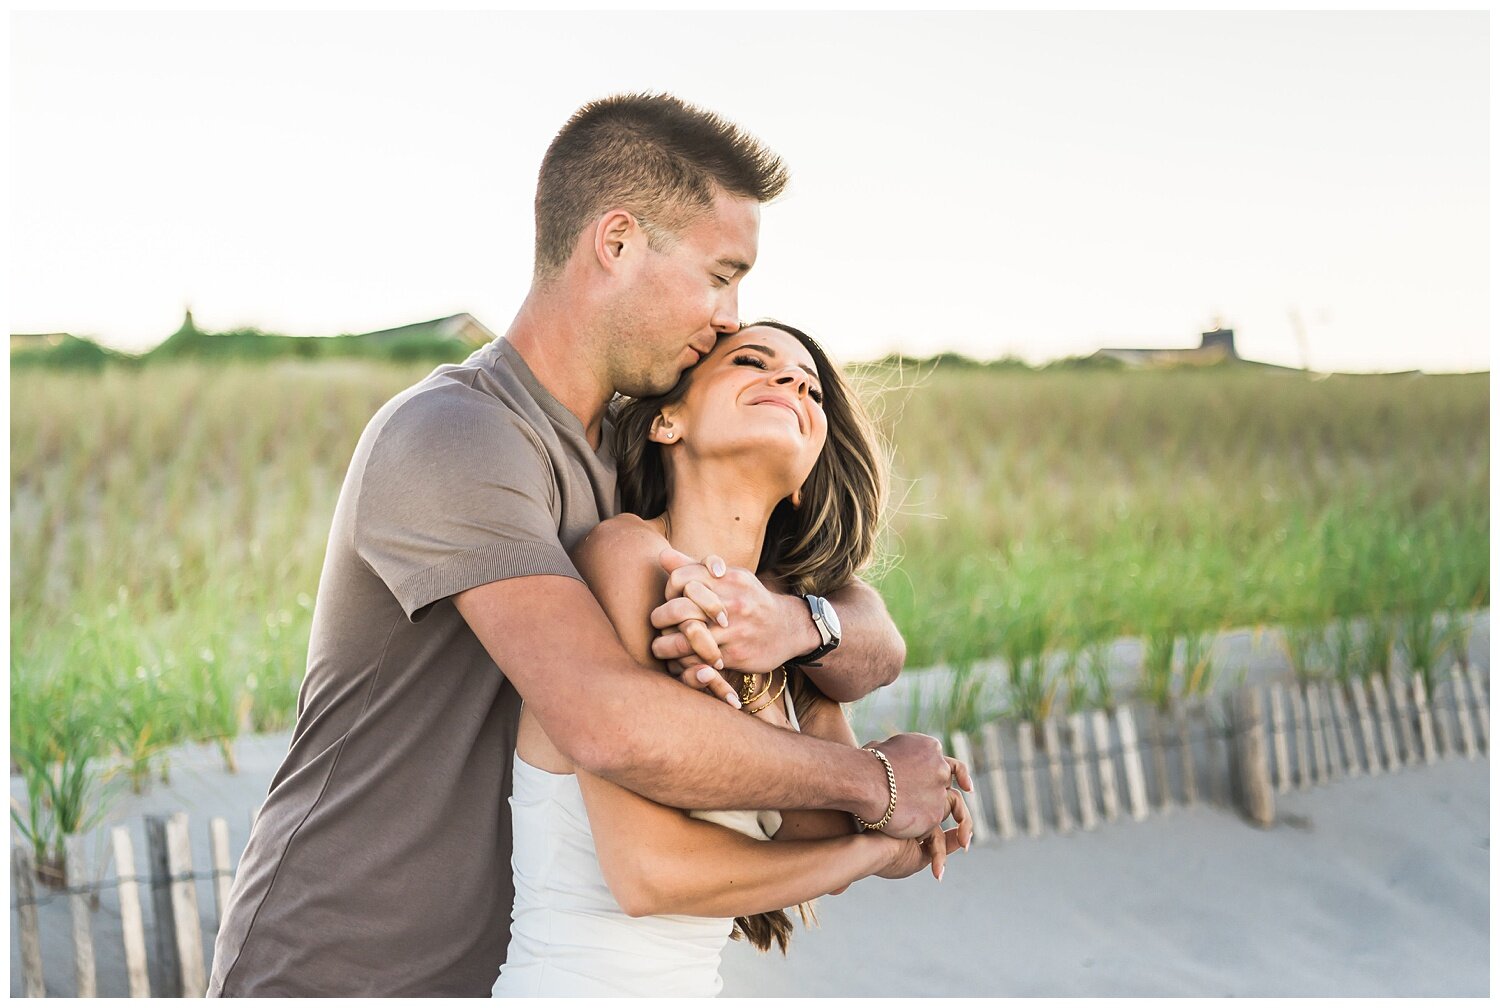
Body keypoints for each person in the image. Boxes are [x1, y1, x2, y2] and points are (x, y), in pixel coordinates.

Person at [207, 93, 964, 997]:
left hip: (510, 969)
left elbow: (862, 626)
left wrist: (794, 624)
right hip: (348, 964)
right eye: (721, 274)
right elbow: (606, 722)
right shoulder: (456, 436)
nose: (730, 318)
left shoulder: (636, 459)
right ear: (616, 242)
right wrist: (872, 786)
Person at [493, 320, 973, 996]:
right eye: (754, 362)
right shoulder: (625, 555)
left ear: (806, 474)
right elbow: (649, 875)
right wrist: (870, 847)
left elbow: (814, 828)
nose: (791, 384)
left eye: (810, 388)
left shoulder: (795, 636)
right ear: (668, 423)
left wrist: (906, 800)